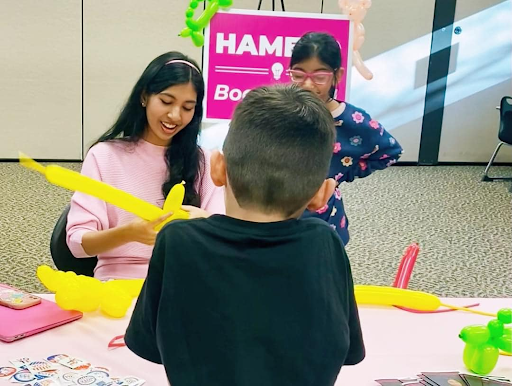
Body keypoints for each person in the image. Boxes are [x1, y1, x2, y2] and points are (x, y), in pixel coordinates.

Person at [125, 85, 365, 386]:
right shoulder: (325, 243)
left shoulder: (177, 241)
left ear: (218, 169)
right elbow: (349, 351)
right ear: (323, 193)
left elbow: (147, 345)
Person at [66, 52, 225, 281]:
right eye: (166, 101)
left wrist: (205, 223)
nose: (175, 115)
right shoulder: (104, 156)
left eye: (187, 107)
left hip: (185, 283)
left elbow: (228, 237)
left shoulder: (204, 162)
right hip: (119, 285)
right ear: (144, 97)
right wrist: (128, 234)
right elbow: (77, 244)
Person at [290, 32, 403, 245]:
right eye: (298, 74)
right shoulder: (281, 110)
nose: (307, 85)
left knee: (321, 267)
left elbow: (390, 151)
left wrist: (345, 170)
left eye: (319, 77)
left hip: (324, 217)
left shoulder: (354, 121)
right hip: (276, 211)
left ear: (337, 75)